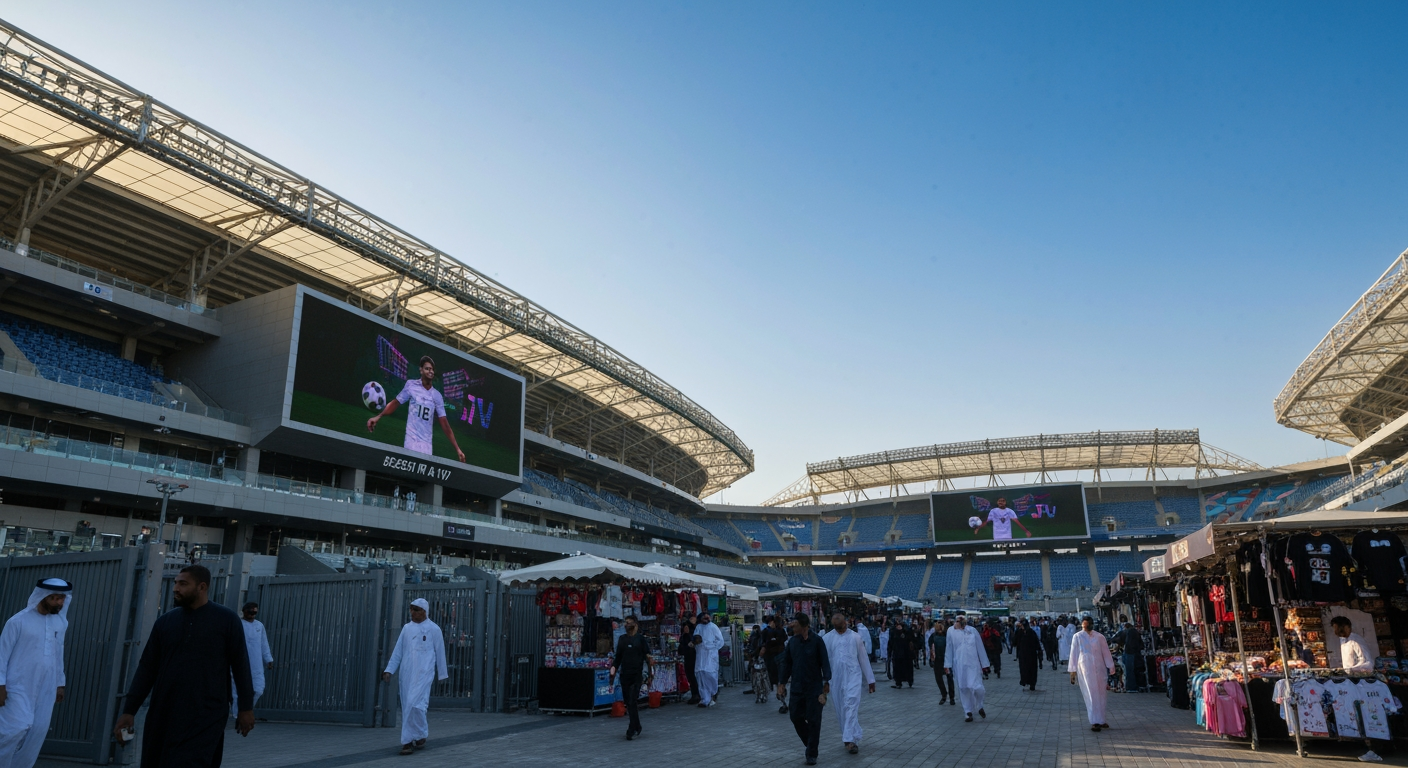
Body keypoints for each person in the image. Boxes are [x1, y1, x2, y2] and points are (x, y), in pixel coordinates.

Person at [114, 566, 255, 766]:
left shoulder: (226, 620)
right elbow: (147, 668)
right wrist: (129, 711)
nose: (175, 588)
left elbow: (241, 666)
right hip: (164, 713)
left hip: (207, 714)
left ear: (202, 587)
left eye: (183, 583)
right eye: (175, 583)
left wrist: (245, 708)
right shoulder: (165, 622)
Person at [0, 578, 71, 768]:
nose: (59, 603)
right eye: (55, 598)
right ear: (43, 597)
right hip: (18, 684)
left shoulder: (59, 623)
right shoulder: (17, 621)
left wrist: (59, 683)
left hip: (47, 686)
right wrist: (0, 685)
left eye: (62, 598)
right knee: (14, 728)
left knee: (37, 731)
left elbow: (58, 654)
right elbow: (2, 654)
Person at [366, 355, 467, 463]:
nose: (430, 371)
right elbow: (396, 403)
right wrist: (379, 416)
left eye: (432, 369)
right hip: (410, 442)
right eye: (427, 368)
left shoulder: (437, 396)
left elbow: (445, 424)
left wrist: (457, 449)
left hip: (426, 447)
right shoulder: (411, 385)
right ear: (421, 370)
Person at [382, 598, 449, 755]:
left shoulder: (434, 629)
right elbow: (398, 651)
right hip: (407, 675)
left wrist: (442, 674)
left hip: (424, 674)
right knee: (409, 706)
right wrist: (389, 670)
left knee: (417, 705)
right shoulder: (407, 629)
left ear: (424, 612)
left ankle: (406, 741)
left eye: (416, 610)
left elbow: (440, 652)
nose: (412, 613)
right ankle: (419, 735)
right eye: (411, 609)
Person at [777, 613, 831, 766]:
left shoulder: (817, 642)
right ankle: (811, 743)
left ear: (804, 626)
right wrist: (781, 683)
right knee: (795, 717)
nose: (791, 626)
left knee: (814, 721)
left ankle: (811, 753)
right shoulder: (792, 643)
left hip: (814, 688)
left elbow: (825, 663)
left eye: (794, 624)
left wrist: (826, 683)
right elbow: (786, 664)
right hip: (797, 688)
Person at [823, 612, 874, 755]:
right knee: (841, 709)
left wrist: (870, 680)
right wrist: (824, 681)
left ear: (846, 622)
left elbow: (863, 659)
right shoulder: (827, 638)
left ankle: (849, 740)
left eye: (841, 626)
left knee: (851, 704)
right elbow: (823, 661)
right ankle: (851, 735)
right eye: (836, 627)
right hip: (835, 679)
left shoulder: (855, 637)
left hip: (853, 676)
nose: (840, 629)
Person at [610, 616, 653, 740]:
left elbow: (648, 657)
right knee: (628, 703)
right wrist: (613, 670)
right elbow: (618, 658)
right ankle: (637, 725)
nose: (626, 625)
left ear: (635, 624)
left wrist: (650, 675)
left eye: (629, 623)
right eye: (625, 623)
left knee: (632, 700)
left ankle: (631, 728)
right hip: (625, 675)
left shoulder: (640, 639)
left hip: (637, 675)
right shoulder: (622, 639)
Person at [1070, 617, 1115, 731]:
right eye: (1083, 626)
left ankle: (1101, 719)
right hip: (1085, 670)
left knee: (1101, 695)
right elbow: (1073, 654)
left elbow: (1106, 652)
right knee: (1090, 695)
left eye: (1087, 625)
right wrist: (1072, 672)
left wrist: (1111, 666)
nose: (1085, 628)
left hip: (1100, 669)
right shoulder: (1078, 637)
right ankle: (1095, 721)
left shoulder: (1099, 637)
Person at [944, 614, 990, 722]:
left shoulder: (972, 631)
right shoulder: (951, 631)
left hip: (973, 664)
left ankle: (979, 705)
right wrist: (947, 665)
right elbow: (949, 647)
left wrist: (985, 664)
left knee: (977, 687)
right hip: (959, 665)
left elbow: (980, 647)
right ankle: (968, 712)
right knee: (964, 688)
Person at [232, 602, 274, 716]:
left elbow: (264, 644)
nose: (252, 614)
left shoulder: (259, 626)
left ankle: (247, 711)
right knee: (237, 691)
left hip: (256, 664)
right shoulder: (238, 624)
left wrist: (268, 659)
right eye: (250, 612)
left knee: (258, 689)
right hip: (240, 662)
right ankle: (237, 715)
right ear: (244, 611)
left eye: (254, 612)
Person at [693, 612, 724, 708]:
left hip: (710, 655)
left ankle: (713, 694)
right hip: (700, 655)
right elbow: (695, 639)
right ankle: (704, 699)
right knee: (701, 676)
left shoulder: (713, 627)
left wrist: (711, 646)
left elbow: (720, 641)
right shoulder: (698, 627)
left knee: (710, 675)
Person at [760, 616, 788, 712]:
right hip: (779, 656)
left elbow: (762, 645)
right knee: (780, 677)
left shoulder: (765, 632)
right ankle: (781, 692)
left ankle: (780, 691)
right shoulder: (781, 631)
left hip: (772, 657)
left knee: (776, 678)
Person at [928, 620, 955, 705]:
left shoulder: (948, 636)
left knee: (949, 678)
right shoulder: (933, 636)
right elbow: (931, 649)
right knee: (939, 679)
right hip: (937, 660)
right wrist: (931, 659)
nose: (940, 628)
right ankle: (944, 695)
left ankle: (951, 697)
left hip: (947, 660)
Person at [1116, 622, 1147, 691]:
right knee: (1131, 670)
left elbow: (1119, 639)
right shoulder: (1133, 632)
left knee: (1129, 671)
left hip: (1129, 652)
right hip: (1132, 652)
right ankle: (1132, 687)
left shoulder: (1129, 632)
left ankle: (1131, 687)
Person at [1014, 618, 1041, 692]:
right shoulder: (1025, 632)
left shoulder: (1027, 633)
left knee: (1028, 669)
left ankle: (1028, 682)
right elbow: (1014, 642)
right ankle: (1029, 682)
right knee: (1028, 669)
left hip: (1027, 655)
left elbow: (1014, 643)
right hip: (1027, 655)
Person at [888, 620, 916, 688]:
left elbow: (912, 641)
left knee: (908, 668)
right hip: (897, 654)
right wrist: (889, 652)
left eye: (900, 624)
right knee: (897, 669)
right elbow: (890, 643)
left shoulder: (907, 632)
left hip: (907, 654)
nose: (899, 626)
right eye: (897, 625)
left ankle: (910, 681)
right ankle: (898, 682)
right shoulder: (893, 632)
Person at [680, 616, 699, 705]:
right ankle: (694, 694)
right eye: (685, 627)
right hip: (688, 658)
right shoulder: (684, 637)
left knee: (693, 677)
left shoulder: (693, 636)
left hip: (694, 658)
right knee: (690, 677)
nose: (686, 629)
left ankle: (696, 695)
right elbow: (681, 649)